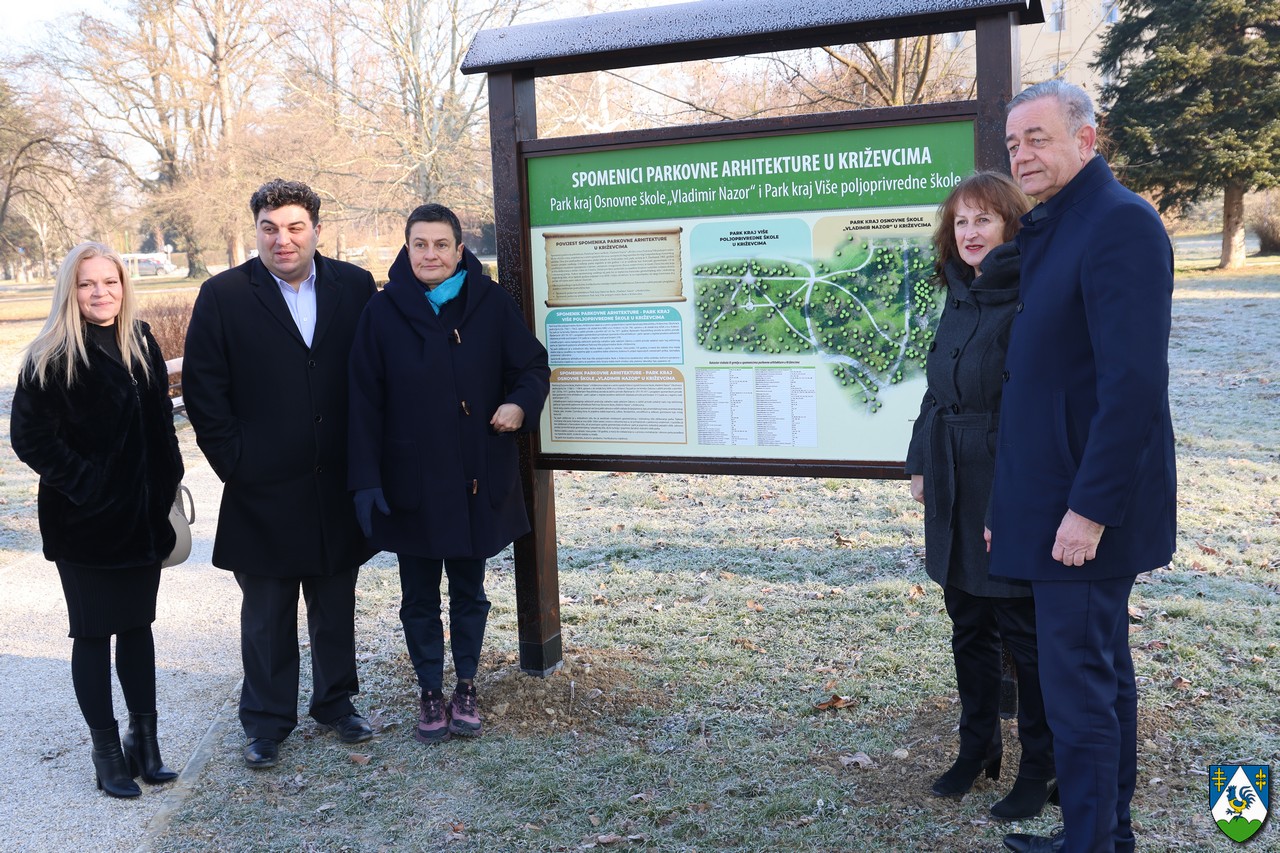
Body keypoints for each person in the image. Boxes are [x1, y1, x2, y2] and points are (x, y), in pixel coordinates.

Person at [993, 81, 1177, 853]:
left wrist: (1089, 511)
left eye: (1037, 137)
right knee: (1095, 676)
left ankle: (1093, 843)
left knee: (1080, 686)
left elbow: (1131, 386)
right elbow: (1046, 383)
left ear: (1086, 139)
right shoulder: (1059, 224)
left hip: (1085, 509)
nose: (1022, 155)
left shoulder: (1118, 223)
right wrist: (1010, 505)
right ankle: (1101, 834)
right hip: (1049, 498)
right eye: (1013, 144)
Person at [183, 179, 377, 769]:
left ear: (316, 229)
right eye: (269, 228)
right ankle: (266, 722)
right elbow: (204, 391)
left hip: (335, 480)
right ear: (256, 231)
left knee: (335, 602)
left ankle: (337, 703)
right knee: (266, 614)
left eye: (294, 227)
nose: (282, 239)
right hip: (261, 485)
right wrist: (236, 464)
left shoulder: (354, 286)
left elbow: (373, 372)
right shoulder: (223, 295)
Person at [348, 203, 549, 744]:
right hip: (409, 481)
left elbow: (531, 366)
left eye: (441, 245)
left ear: (459, 251)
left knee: (469, 589)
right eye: (420, 244)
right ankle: (429, 691)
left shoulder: (490, 303)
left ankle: (466, 686)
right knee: (417, 596)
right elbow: (362, 403)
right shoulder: (381, 311)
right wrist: (365, 480)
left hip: (474, 476)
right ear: (407, 248)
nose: (430, 254)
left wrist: (520, 405)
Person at [906, 172, 1055, 820]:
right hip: (953, 476)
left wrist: (1009, 505)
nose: (969, 232)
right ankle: (978, 746)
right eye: (961, 221)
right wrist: (920, 460)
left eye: (983, 220)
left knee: (1023, 634)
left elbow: (1036, 409)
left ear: (1011, 225)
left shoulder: (1030, 294)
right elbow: (937, 386)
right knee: (967, 621)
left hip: (1007, 475)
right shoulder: (959, 291)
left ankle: (1042, 765)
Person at [11, 242, 184, 798]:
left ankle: (145, 743)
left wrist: (167, 479)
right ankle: (107, 753)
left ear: (123, 286)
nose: (100, 292)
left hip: (143, 520)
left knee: (138, 628)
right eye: (87, 283)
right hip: (83, 524)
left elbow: (160, 419)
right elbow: (30, 438)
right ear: (71, 289)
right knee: (92, 634)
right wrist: (90, 487)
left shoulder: (141, 341)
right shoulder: (50, 355)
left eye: (110, 281)